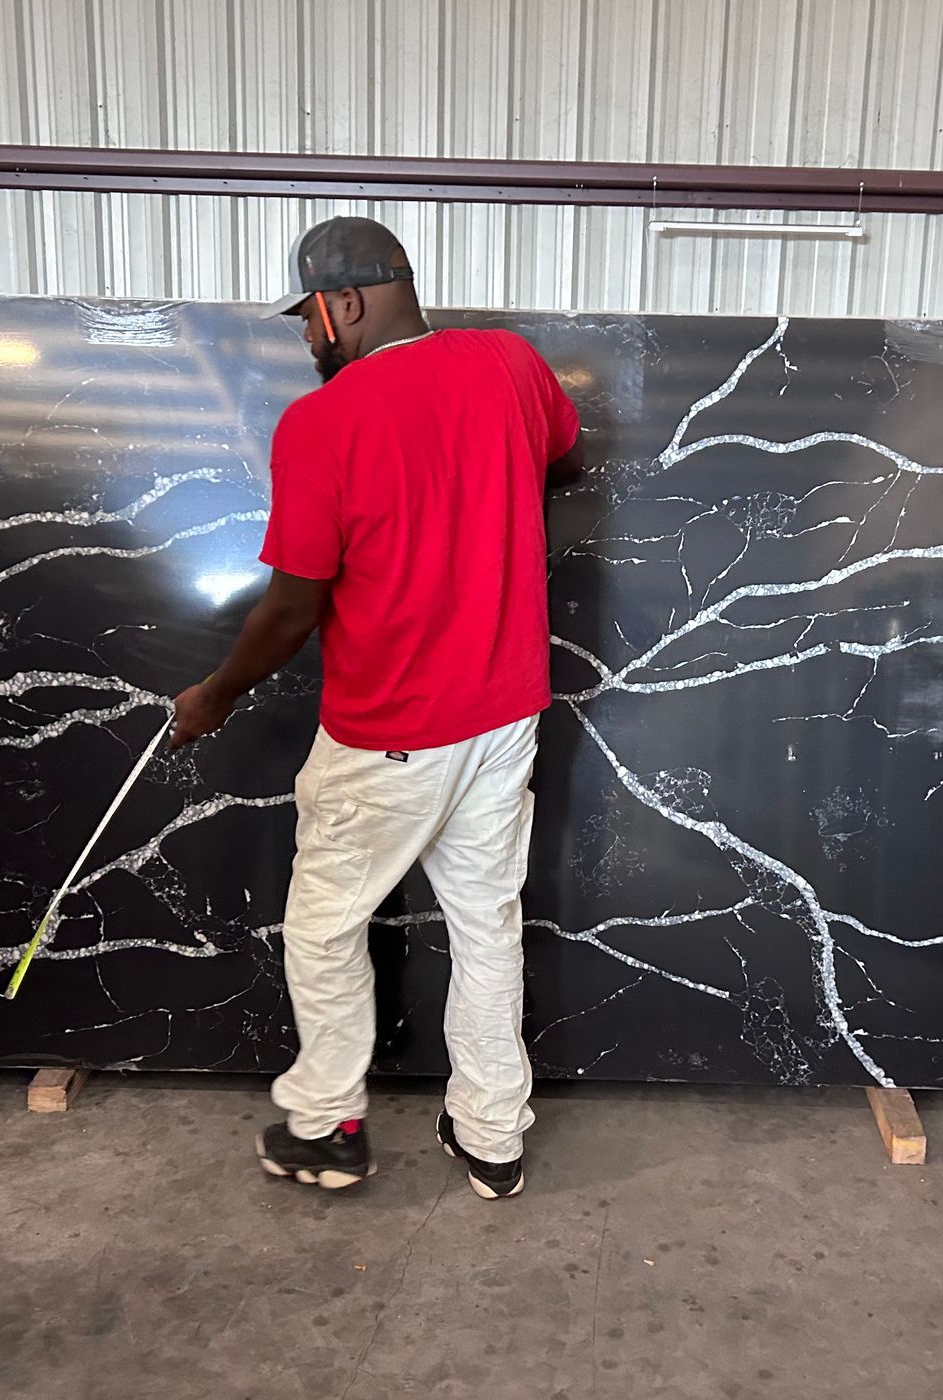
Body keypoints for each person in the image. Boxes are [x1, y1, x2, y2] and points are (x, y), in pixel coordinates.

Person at [171, 217, 583, 1200]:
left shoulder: (324, 423)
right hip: (505, 718)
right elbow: (561, 458)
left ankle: (326, 1128)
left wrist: (215, 695)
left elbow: (292, 605)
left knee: (324, 929)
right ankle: (492, 1136)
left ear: (344, 303)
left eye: (308, 319)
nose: (308, 339)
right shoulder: (511, 365)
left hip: (389, 734)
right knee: (487, 925)